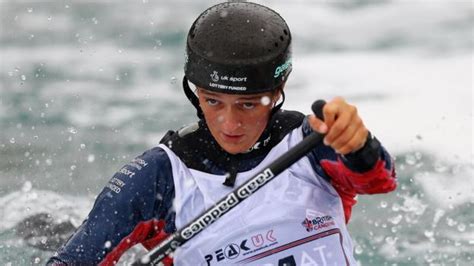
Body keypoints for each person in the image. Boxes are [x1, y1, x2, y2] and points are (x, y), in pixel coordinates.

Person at [47, 1, 396, 265]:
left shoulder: (315, 144)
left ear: (279, 89)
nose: (229, 125)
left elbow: (379, 180)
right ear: (194, 89)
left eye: (248, 104)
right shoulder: (156, 180)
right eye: (213, 101)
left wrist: (358, 143)